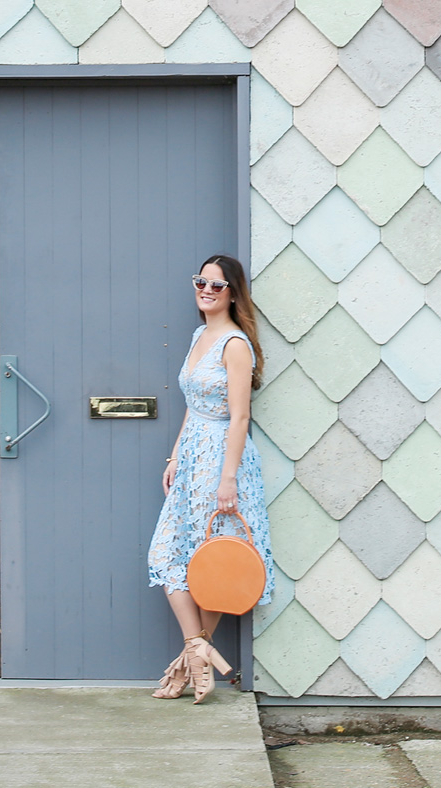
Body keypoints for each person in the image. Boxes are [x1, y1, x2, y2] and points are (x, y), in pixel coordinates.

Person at [147, 254, 274, 703]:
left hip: (222, 459)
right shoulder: (201, 335)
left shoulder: (235, 344)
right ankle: (197, 651)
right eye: (201, 281)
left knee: (216, 559)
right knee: (168, 554)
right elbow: (192, 405)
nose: (206, 289)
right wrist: (176, 455)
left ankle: (190, 664)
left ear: (233, 293)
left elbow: (239, 417)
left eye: (217, 285)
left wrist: (228, 479)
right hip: (192, 457)